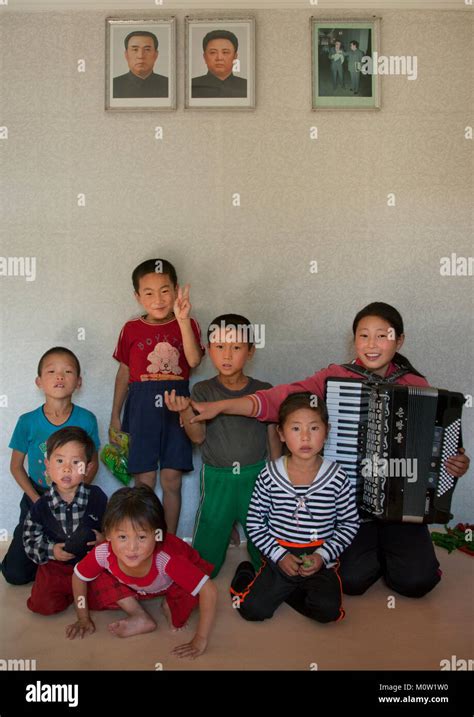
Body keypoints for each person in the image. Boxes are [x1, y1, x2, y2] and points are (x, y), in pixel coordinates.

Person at [189, 302, 470, 598]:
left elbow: (434, 450)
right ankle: (378, 550)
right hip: (352, 508)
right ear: (354, 340)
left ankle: (393, 549)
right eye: (363, 336)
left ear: (399, 341)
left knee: (417, 583)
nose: (371, 345)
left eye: (382, 336)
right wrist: (219, 406)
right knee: (349, 582)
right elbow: (278, 399)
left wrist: (454, 463)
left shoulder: (416, 384)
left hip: (400, 508)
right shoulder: (335, 378)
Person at [164, 314, 281, 577]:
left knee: (263, 532)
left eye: (236, 347)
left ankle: (269, 575)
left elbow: (273, 436)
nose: (227, 355)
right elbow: (197, 437)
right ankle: (199, 578)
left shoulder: (264, 390)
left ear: (250, 351)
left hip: (258, 476)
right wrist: (184, 412)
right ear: (209, 350)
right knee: (210, 534)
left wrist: (278, 475)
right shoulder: (203, 391)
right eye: (219, 347)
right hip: (217, 477)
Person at [230, 392, 359, 623]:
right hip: (280, 555)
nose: (306, 438)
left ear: (327, 431)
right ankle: (247, 574)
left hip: (319, 557)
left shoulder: (338, 476)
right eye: (296, 429)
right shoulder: (269, 475)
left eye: (314, 428)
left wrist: (322, 556)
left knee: (328, 611)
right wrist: (279, 556)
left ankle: (289, 593)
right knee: (253, 610)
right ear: (281, 433)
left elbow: (349, 524)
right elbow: (255, 523)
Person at [66, 486, 217, 659]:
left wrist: (200, 638)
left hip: (171, 582)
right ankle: (139, 615)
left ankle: (168, 604)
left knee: (184, 609)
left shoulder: (167, 559)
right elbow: (79, 576)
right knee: (94, 583)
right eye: (123, 537)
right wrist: (83, 617)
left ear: (158, 535)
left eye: (142, 537)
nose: (132, 548)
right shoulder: (103, 553)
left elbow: (209, 590)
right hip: (138, 587)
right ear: (107, 534)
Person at [110, 258, 204, 533]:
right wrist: (116, 414)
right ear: (137, 296)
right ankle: (144, 537)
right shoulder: (130, 329)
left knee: (172, 479)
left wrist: (184, 321)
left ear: (175, 290)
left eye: (164, 290)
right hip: (140, 408)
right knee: (144, 481)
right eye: (148, 292)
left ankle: (170, 539)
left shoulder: (189, 323)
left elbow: (194, 361)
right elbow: (124, 374)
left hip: (178, 407)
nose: (158, 299)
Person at [1, 348, 100, 585]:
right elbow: (16, 467)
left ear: (78, 382)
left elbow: (93, 462)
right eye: (52, 371)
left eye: (67, 371)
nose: (59, 377)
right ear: (39, 381)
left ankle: (58, 561)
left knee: (82, 564)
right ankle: (44, 554)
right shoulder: (27, 421)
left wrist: (74, 495)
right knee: (15, 575)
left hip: (74, 499)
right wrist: (37, 500)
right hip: (37, 496)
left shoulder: (87, 419)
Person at [24, 427, 107, 615]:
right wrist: (51, 551)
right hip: (55, 567)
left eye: (76, 462)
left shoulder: (97, 497)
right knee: (42, 606)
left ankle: (78, 592)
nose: (67, 468)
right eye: (59, 460)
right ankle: (66, 591)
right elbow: (29, 539)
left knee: (105, 599)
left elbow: (113, 526)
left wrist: (104, 539)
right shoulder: (41, 505)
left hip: (89, 564)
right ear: (48, 464)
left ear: (88, 467)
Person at [192, 30, 247, 98]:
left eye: (225, 52)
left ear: (235, 56)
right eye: (213, 52)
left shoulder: (247, 87)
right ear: (205, 57)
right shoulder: (191, 87)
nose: (219, 58)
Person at [113, 31, 168, 99]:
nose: (141, 56)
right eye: (135, 49)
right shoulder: (113, 85)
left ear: (156, 55)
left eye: (147, 50)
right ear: (126, 55)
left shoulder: (168, 85)